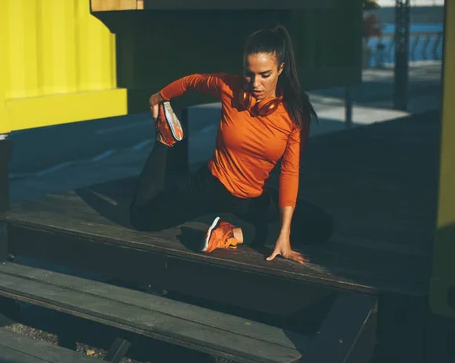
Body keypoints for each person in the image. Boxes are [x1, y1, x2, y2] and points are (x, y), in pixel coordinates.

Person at [128, 24, 333, 264]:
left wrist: (284, 233)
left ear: (281, 69)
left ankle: (233, 233)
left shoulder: (295, 114)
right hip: (209, 186)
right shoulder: (230, 87)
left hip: (252, 198)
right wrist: (160, 96)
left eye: (264, 75)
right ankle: (164, 139)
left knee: (320, 226)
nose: (255, 83)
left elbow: (290, 171)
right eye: (249, 73)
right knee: (142, 219)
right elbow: (194, 81)